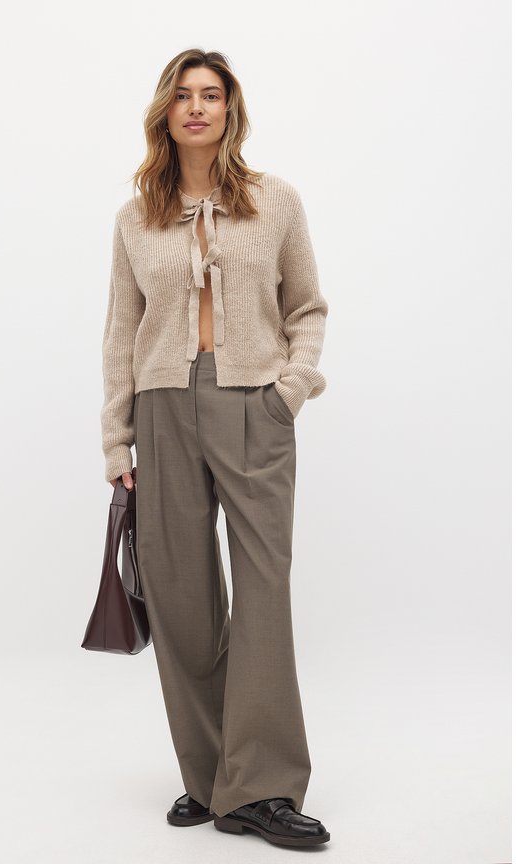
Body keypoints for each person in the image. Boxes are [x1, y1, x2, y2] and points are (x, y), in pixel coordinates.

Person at [100, 48, 331, 848]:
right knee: (181, 598)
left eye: (212, 94)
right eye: (183, 95)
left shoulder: (275, 200)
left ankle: (261, 787)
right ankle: (209, 777)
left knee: (263, 590)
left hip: (253, 405)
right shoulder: (136, 217)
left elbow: (307, 307)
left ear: (230, 110)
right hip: (162, 407)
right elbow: (121, 333)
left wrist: (289, 389)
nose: (197, 107)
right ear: (165, 112)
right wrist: (117, 439)